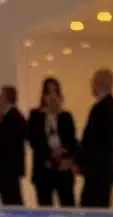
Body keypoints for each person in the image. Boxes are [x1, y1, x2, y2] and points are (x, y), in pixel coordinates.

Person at [27, 77, 77, 207]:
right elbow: (33, 140)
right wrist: (49, 154)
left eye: (55, 92)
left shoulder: (66, 116)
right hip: (43, 170)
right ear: (44, 96)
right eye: (49, 93)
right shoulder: (35, 115)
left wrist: (64, 150)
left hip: (63, 168)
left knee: (68, 207)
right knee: (45, 208)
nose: (52, 96)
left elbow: (72, 142)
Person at [76, 69, 113, 208]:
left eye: (93, 82)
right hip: (102, 171)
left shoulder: (103, 108)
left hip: (97, 172)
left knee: (91, 209)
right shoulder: (111, 108)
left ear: (99, 83)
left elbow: (94, 143)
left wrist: (80, 162)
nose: (91, 86)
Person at [0, 86, 27, 206]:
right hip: (8, 169)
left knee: (12, 201)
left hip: (9, 169)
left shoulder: (13, 117)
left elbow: (5, 144)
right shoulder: (11, 117)